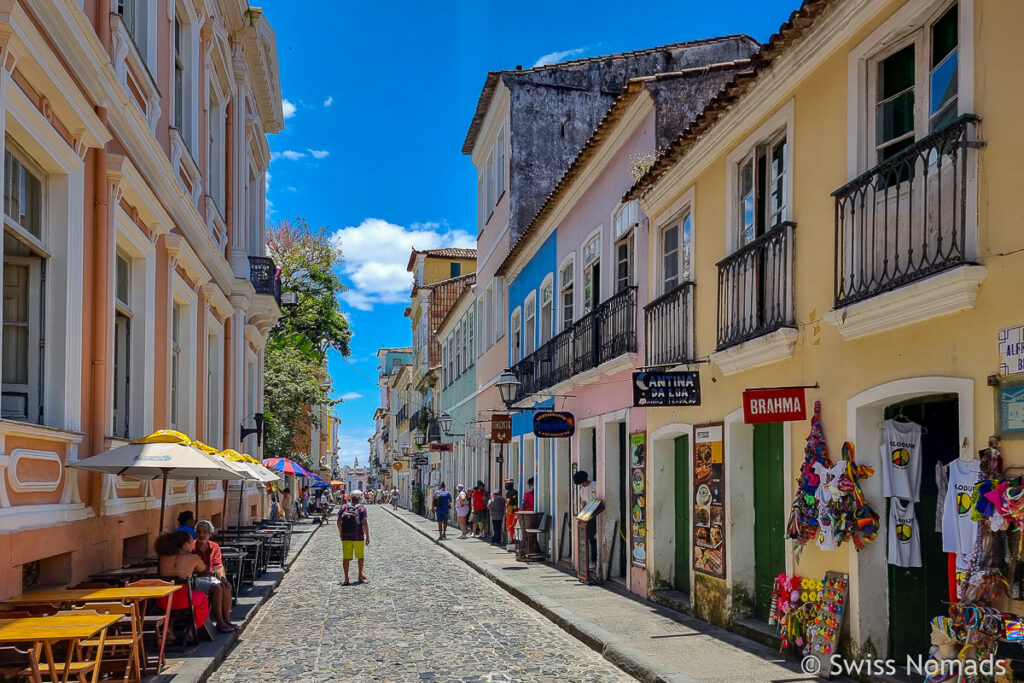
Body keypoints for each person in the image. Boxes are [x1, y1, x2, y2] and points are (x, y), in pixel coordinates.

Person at [154, 531, 214, 632]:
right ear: (186, 545)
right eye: (191, 542)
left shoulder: (163, 558)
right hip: (183, 599)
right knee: (202, 598)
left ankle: (169, 629)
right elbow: (202, 569)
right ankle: (191, 630)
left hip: (162, 600)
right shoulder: (193, 558)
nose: (193, 545)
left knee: (172, 611)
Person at [193, 521, 237, 631]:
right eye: (198, 532)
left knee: (226, 587)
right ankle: (220, 622)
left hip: (209, 577)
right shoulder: (191, 547)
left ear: (210, 534)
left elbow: (218, 565)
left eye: (204, 532)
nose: (201, 534)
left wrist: (223, 578)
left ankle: (227, 620)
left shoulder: (214, 546)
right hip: (195, 579)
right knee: (217, 588)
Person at [337, 489, 370, 585]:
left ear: (351, 498)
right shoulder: (362, 508)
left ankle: (346, 579)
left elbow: (338, 521)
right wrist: (367, 536)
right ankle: (360, 574)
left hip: (346, 537)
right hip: (358, 536)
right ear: (360, 498)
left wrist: (341, 532)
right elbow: (365, 523)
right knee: (360, 557)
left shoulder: (344, 507)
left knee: (346, 558)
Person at [574, 470, 599, 571]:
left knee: (594, 539)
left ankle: (595, 559)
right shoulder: (582, 490)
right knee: (590, 539)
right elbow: (584, 503)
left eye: (582, 483)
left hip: (596, 514)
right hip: (588, 516)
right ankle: (592, 561)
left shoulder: (595, 485)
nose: (582, 485)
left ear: (586, 480)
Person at [504, 479, 519, 550]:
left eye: (506, 485)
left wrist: (514, 509)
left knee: (513, 524)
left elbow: (515, 501)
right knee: (509, 526)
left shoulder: (514, 492)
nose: (505, 486)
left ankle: (514, 539)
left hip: (513, 511)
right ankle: (512, 539)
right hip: (508, 510)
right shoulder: (507, 493)